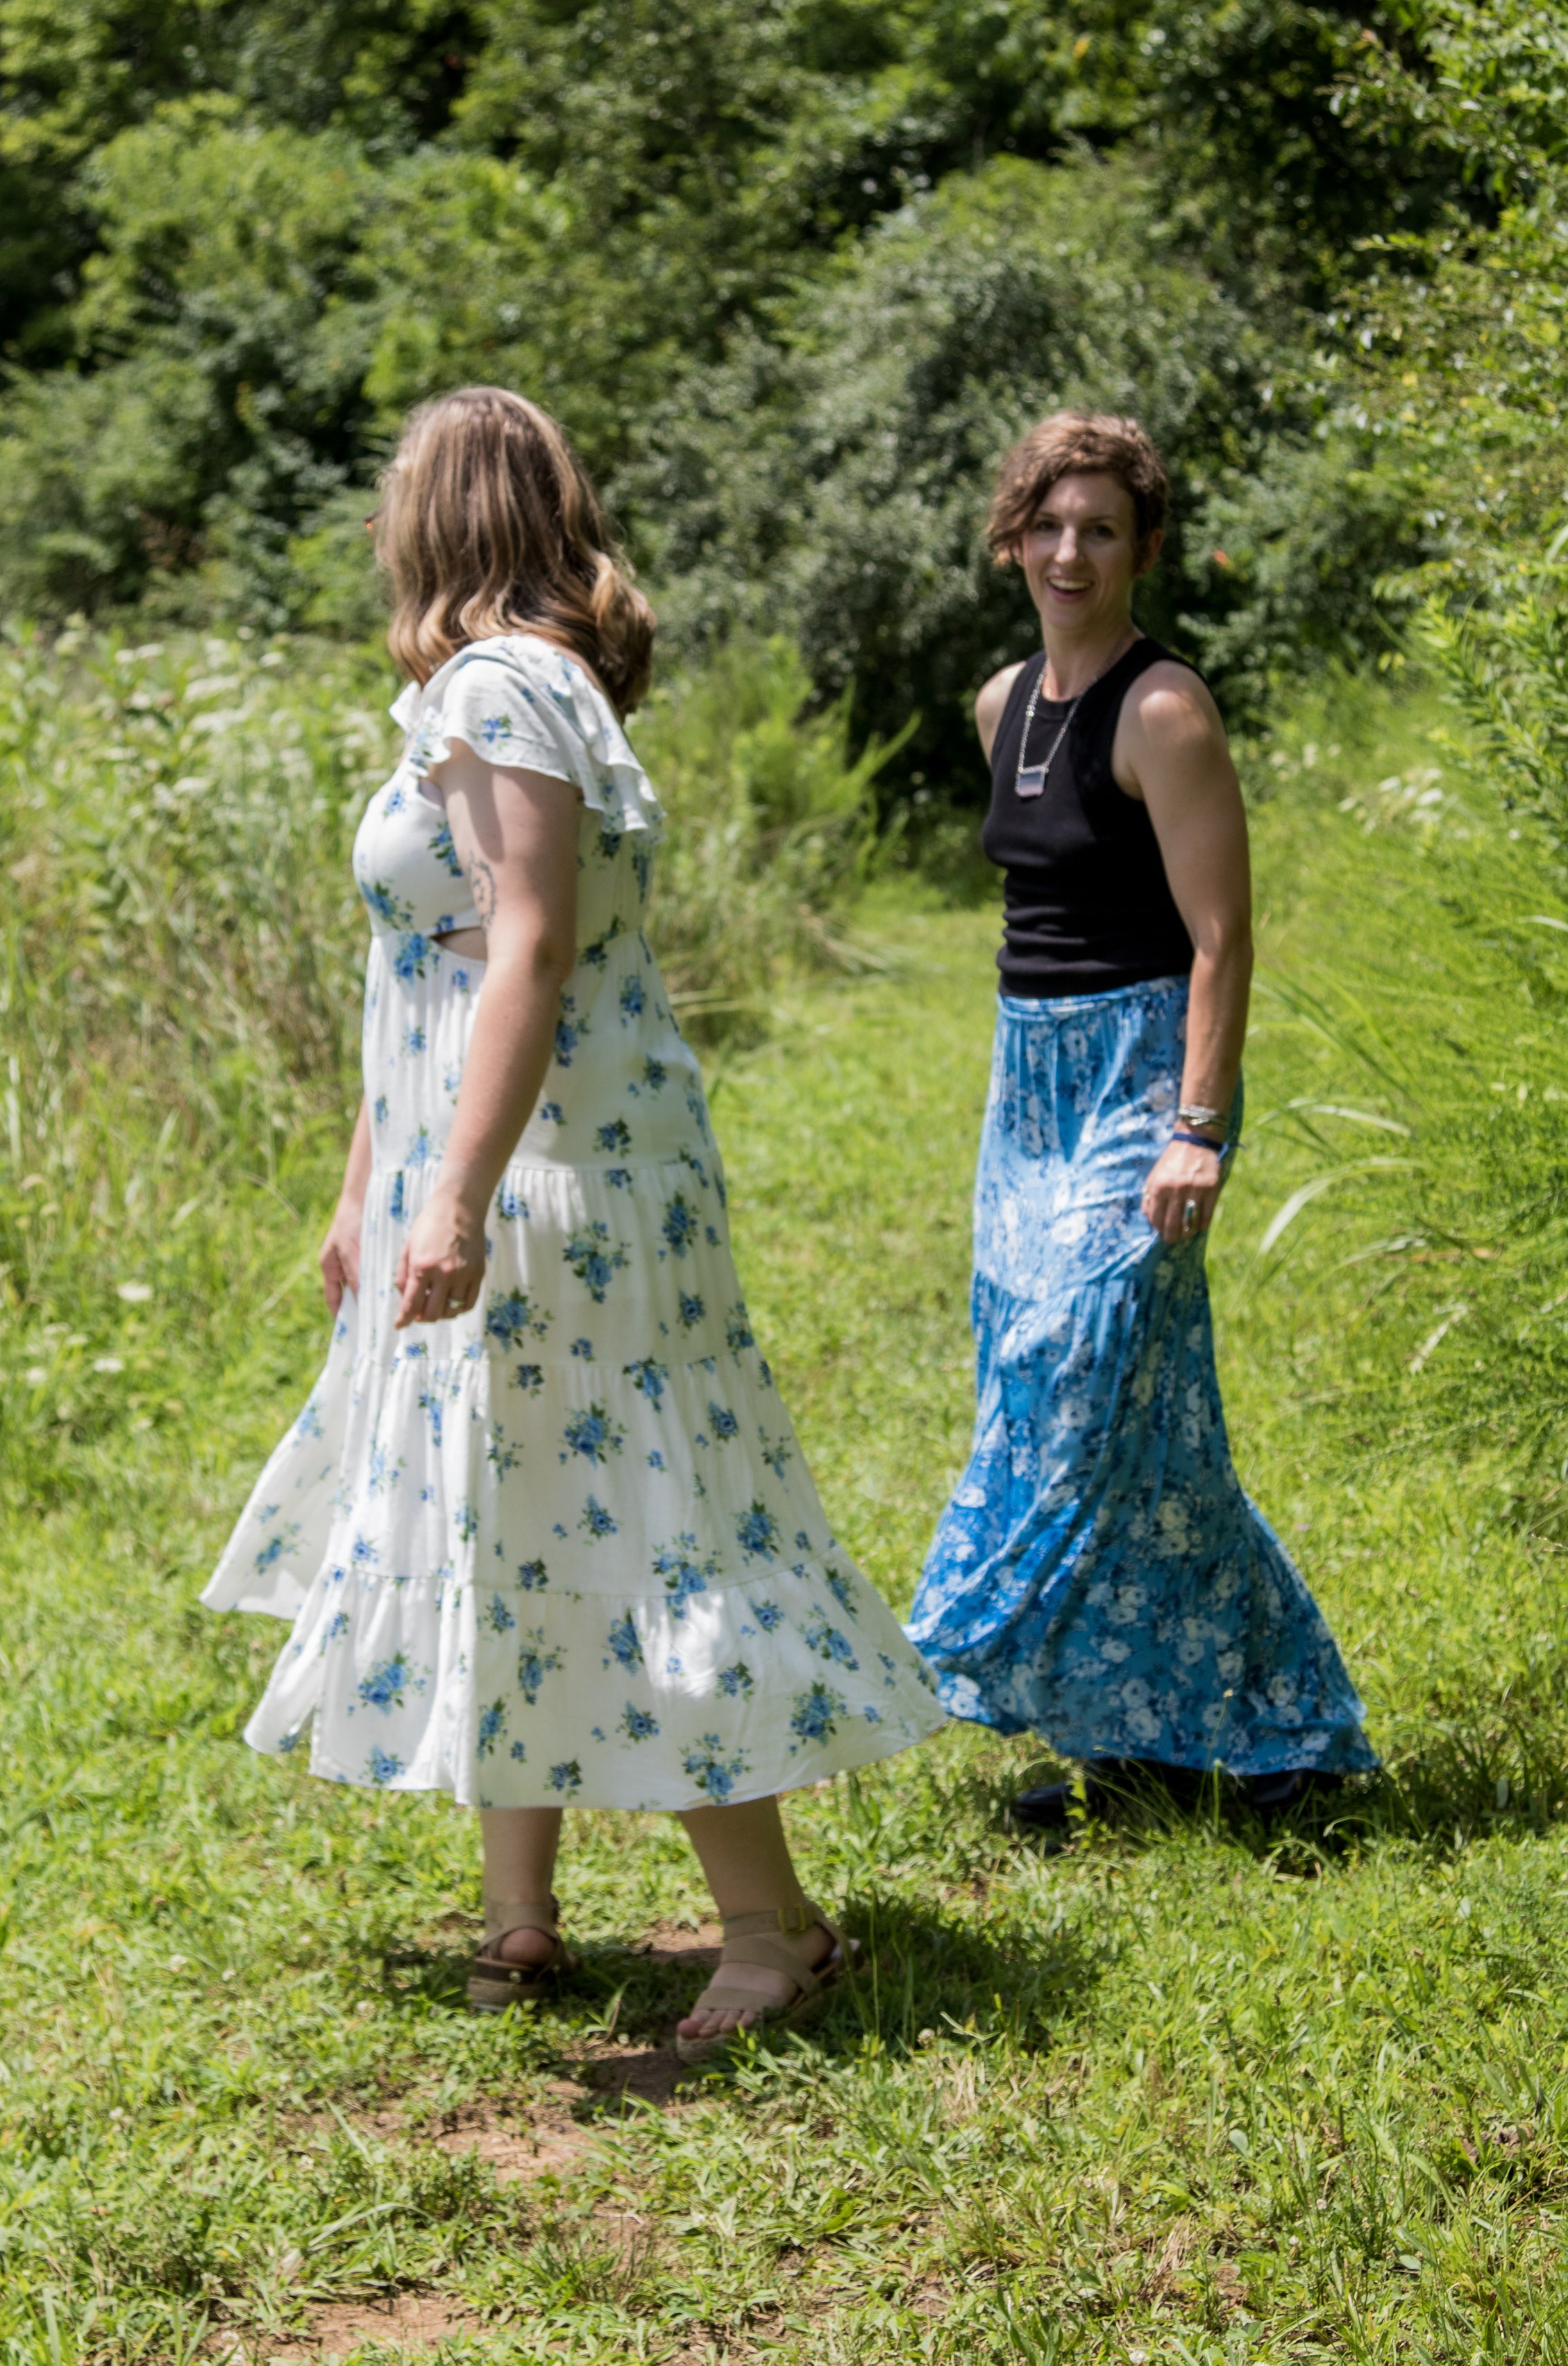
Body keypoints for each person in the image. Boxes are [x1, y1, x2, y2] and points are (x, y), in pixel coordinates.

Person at [203, 386, 942, 2054]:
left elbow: (528, 946)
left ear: (436, 518)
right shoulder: (500, 692)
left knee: (622, 1511)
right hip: (507, 1161)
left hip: (558, 1179)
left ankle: (771, 1926)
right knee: (504, 1501)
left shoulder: (498, 688)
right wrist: (366, 1186)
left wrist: (454, 1193)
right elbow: (429, 970)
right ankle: (517, 1911)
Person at [905, 410, 1376, 1827]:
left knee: (1071, 1376)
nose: (1068, 551)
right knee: (1137, 1430)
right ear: (1010, 536)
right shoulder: (1000, 704)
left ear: (1141, 548)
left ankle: (965, 1633)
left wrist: (1197, 1127)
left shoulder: (1162, 708)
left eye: (1099, 528)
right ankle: (1161, 1754)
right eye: (1046, 525)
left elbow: (1221, 939)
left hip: (1135, 1083)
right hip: (1024, 1086)